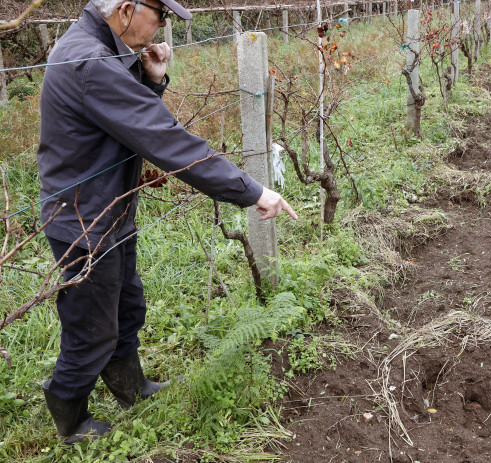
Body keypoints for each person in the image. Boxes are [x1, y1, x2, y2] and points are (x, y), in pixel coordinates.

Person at [36, 0, 297, 443]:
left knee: (127, 306)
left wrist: (149, 80)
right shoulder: (90, 61)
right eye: (160, 14)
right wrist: (252, 190)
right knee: (91, 326)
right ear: (125, 10)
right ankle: (70, 416)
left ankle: (130, 387)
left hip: (106, 210)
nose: (162, 26)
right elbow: (163, 138)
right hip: (84, 222)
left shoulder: (99, 52)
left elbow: (121, 120)